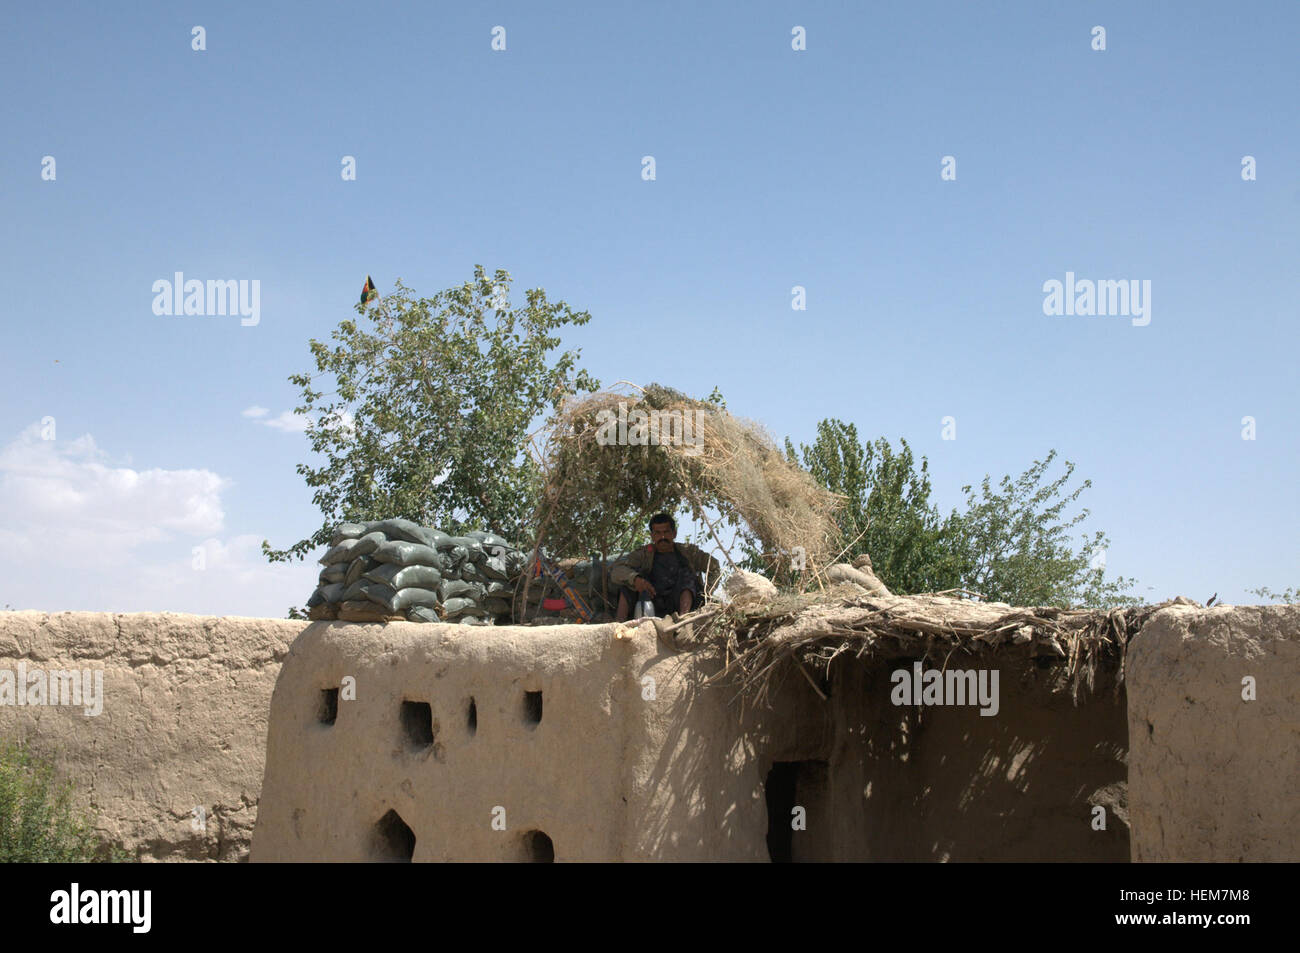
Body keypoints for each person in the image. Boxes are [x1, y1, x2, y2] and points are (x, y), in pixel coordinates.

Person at [610, 513, 720, 622]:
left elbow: (714, 566)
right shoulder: (644, 554)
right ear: (652, 536)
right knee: (629, 584)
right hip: (652, 602)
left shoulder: (688, 553)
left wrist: (707, 592)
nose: (662, 537)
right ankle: (619, 624)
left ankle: (683, 621)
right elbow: (617, 570)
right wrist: (635, 579)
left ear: (674, 533)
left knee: (687, 574)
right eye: (657, 533)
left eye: (666, 532)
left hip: (679, 603)